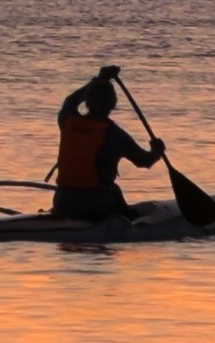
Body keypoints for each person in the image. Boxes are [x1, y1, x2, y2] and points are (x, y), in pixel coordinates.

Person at [50, 63, 164, 225]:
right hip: (97, 206)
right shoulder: (115, 135)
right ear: (113, 104)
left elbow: (71, 100)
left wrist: (99, 80)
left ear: (87, 101)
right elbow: (144, 162)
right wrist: (156, 151)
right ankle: (126, 221)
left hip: (63, 202)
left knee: (114, 191)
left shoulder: (67, 121)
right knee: (114, 192)